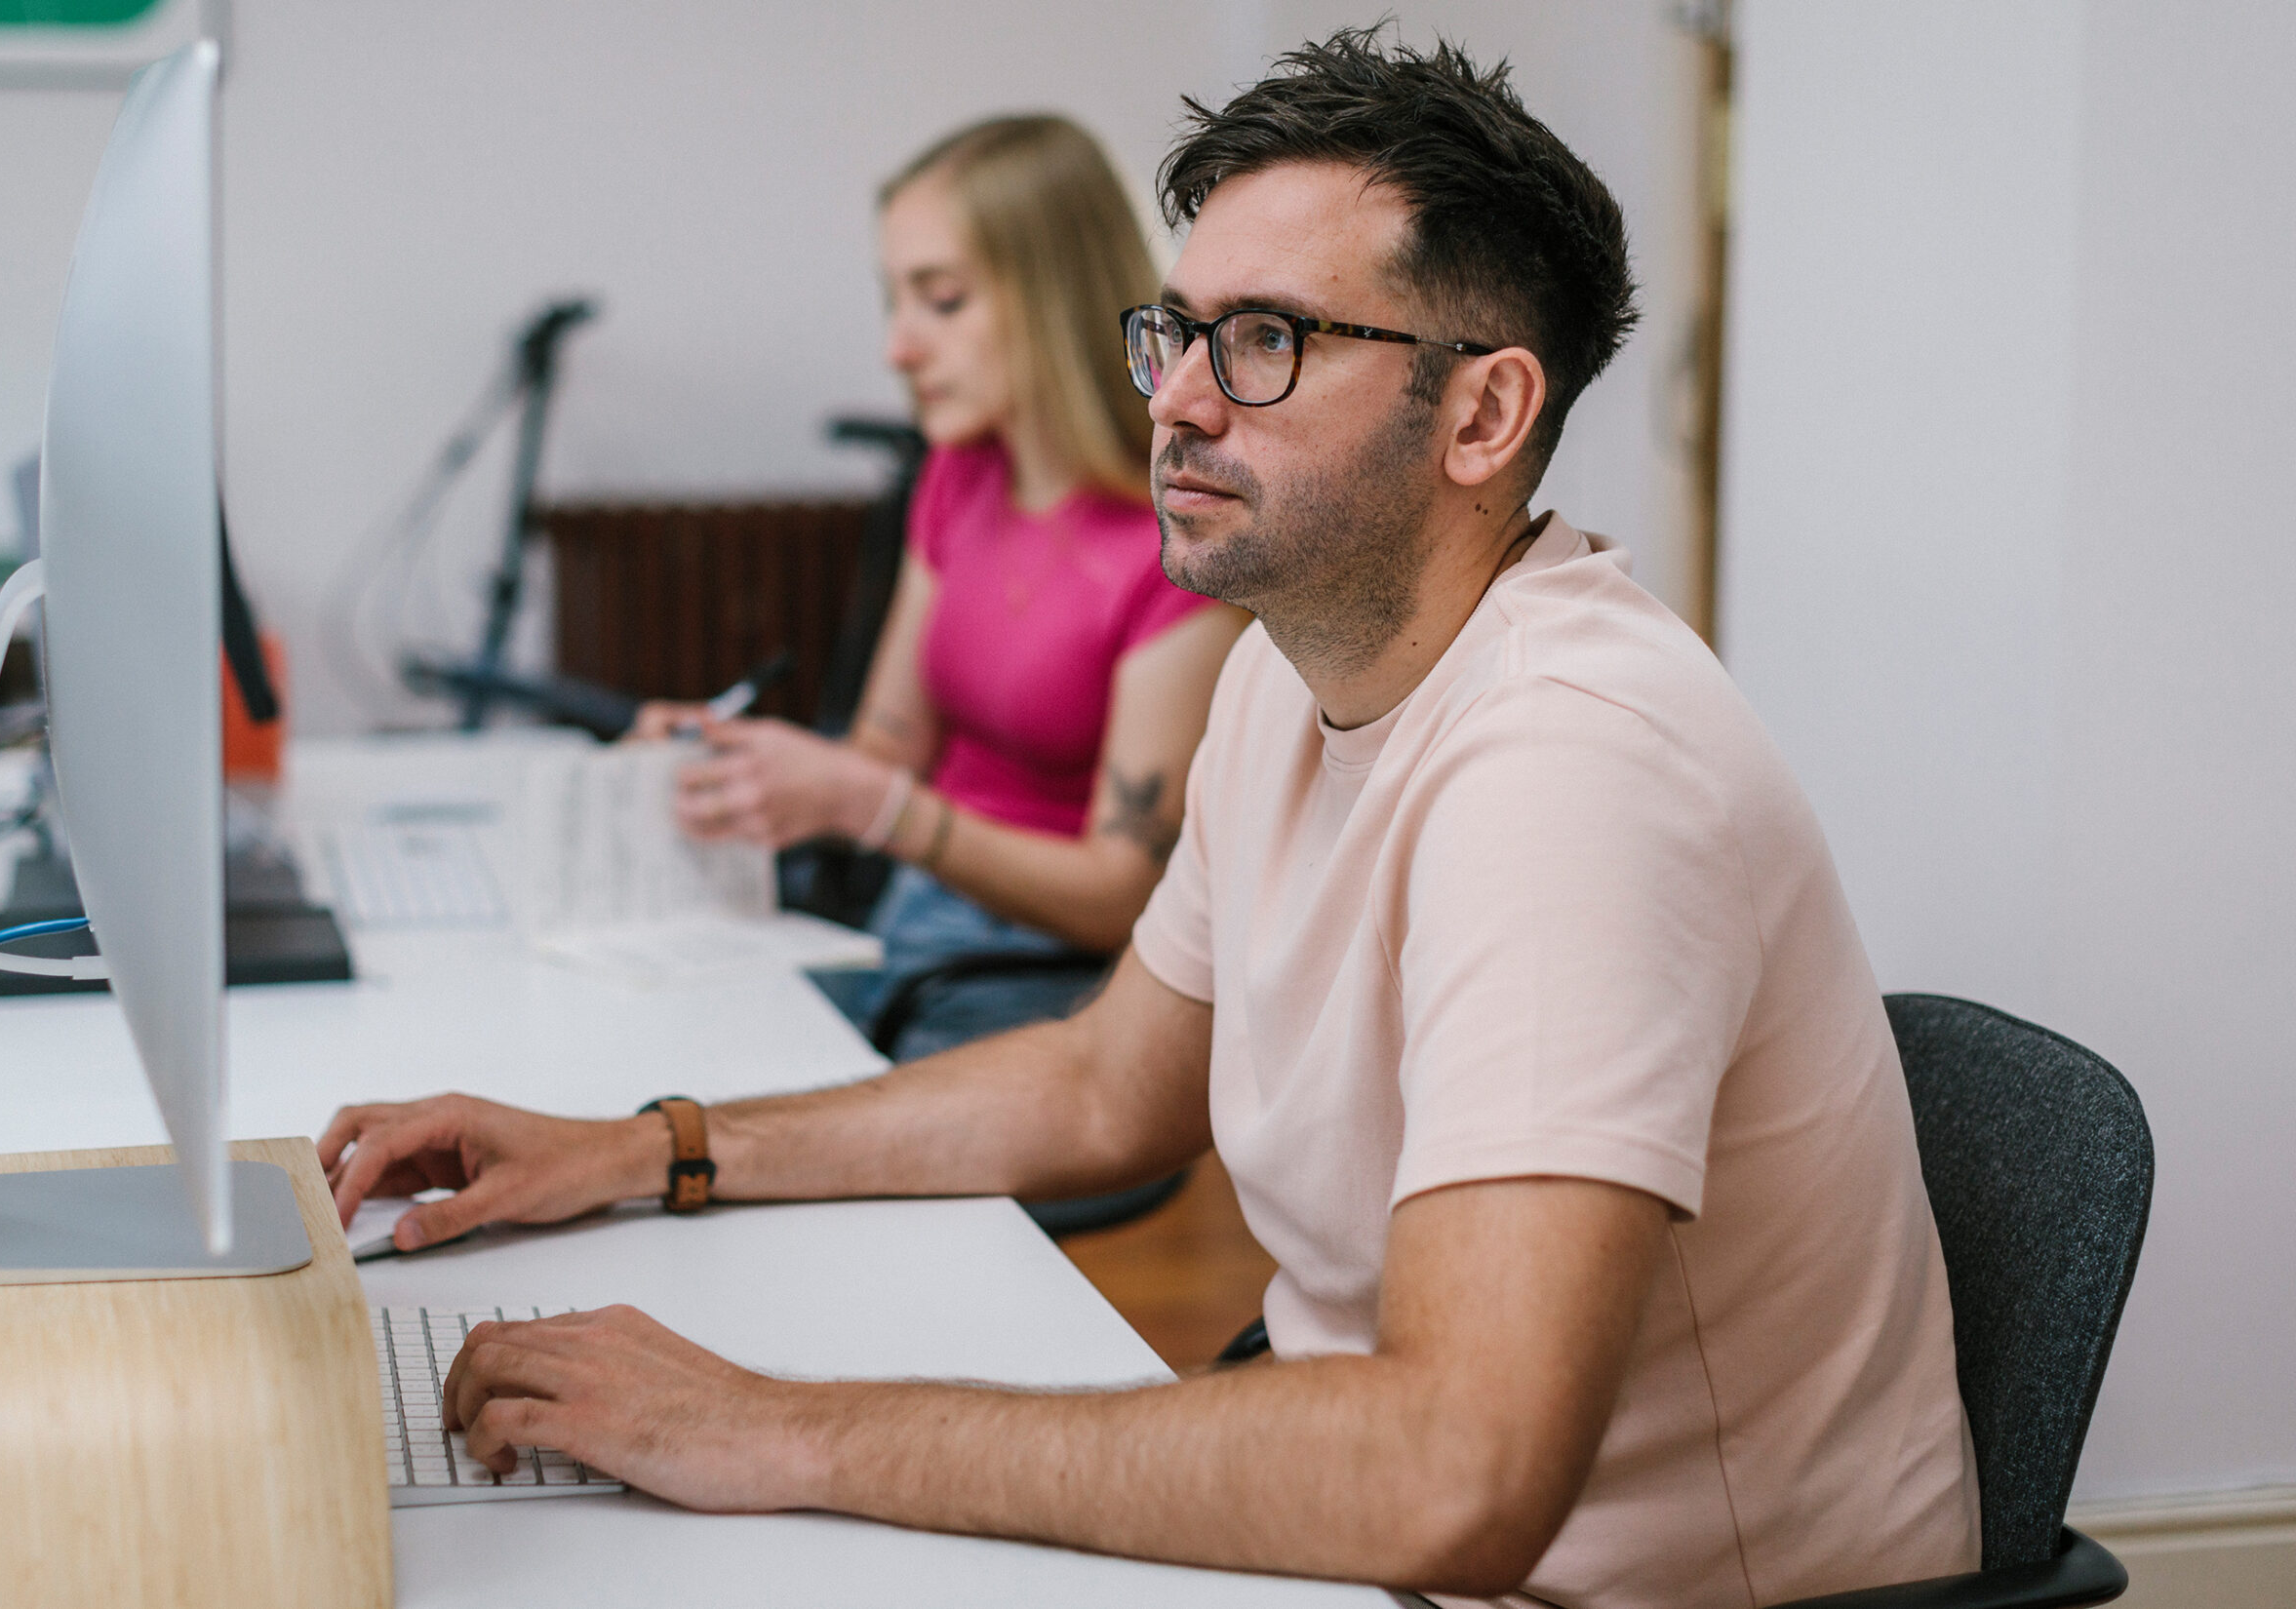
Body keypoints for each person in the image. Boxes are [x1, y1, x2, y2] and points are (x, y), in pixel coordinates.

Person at [324, 31, 1980, 1606]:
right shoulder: (1288, 668)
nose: (1178, 400)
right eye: (1173, 334)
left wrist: (781, 1425)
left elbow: (1460, 1473)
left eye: (1265, 342)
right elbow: (1110, 1086)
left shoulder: (1576, 771)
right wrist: (644, 1146)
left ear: (1482, 417)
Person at [630, 115, 1246, 1067]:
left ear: (1058, 299)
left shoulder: (1180, 542)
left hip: (1048, 981)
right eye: (895, 302)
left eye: (943, 301)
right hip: (911, 924)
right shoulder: (958, 477)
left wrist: (878, 810)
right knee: (669, 1060)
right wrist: (738, 759)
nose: (898, 349)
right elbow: (886, 747)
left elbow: (1122, 894)